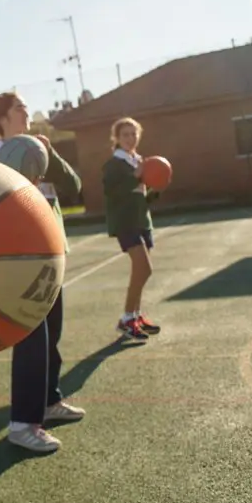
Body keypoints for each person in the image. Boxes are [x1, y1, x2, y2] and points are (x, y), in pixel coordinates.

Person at [0, 91, 85, 453]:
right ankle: (23, 423)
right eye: (21, 107)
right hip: (15, 260)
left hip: (50, 254)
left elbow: (73, 187)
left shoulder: (39, 148)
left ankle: (49, 401)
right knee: (31, 339)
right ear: (2, 118)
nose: (27, 111)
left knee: (52, 335)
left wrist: (47, 155)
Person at [102, 117, 162, 342]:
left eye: (134, 134)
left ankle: (135, 316)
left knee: (141, 271)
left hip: (141, 220)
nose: (130, 138)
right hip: (125, 222)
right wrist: (135, 177)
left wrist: (156, 189)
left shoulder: (138, 161)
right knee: (144, 269)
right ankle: (126, 318)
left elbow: (140, 198)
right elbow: (112, 191)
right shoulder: (114, 164)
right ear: (117, 138)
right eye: (125, 134)